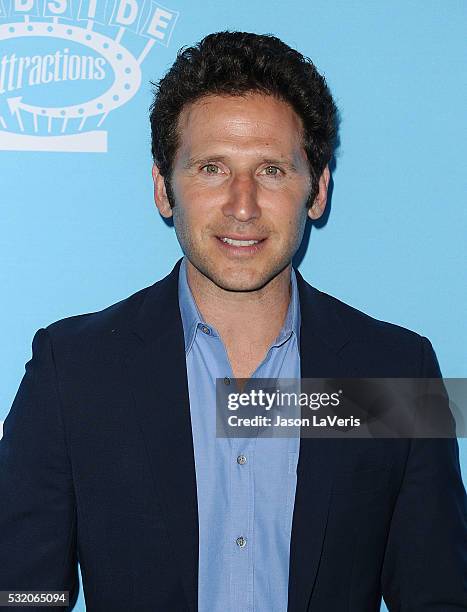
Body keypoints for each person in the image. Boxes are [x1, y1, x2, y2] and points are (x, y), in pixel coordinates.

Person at [0, 31, 465, 612]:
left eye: (271, 170)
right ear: (163, 189)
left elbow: (438, 594)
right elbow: (22, 592)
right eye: (212, 168)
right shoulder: (72, 371)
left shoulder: (397, 372)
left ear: (317, 190)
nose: (242, 205)